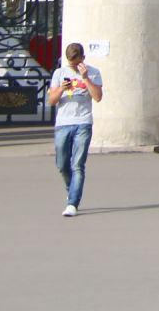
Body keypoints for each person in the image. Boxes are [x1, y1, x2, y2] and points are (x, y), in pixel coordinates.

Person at [47, 43, 102, 217]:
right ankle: (71, 189)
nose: (73, 66)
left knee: (77, 164)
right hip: (63, 123)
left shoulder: (94, 72)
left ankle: (73, 203)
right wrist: (62, 89)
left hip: (83, 122)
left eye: (76, 63)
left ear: (83, 59)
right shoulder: (59, 73)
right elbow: (52, 101)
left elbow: (98, 97)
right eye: (71, 63)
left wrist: (85, 78)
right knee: (62, 164)